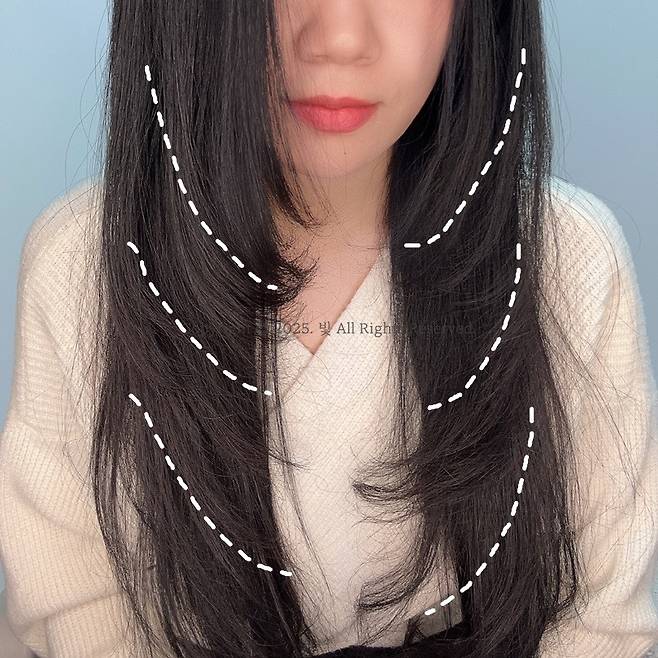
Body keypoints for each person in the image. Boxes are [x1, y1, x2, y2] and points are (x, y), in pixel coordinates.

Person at [0, 1, 657, 656]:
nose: (340, 39)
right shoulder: (83, 262)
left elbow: (600, 624)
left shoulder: (568, 259)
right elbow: (78, 613)